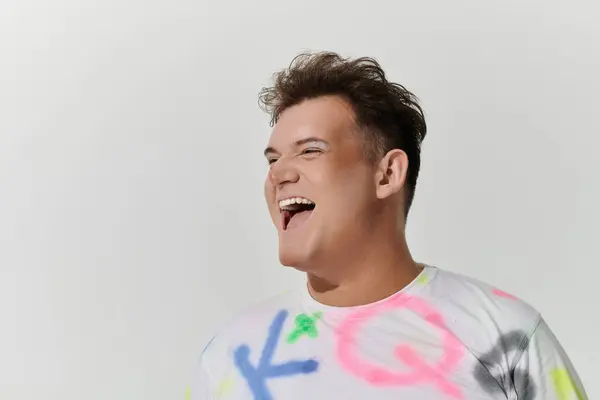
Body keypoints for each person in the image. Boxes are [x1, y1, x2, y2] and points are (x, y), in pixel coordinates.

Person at [192, 51, 587, 399]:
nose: (278, 174)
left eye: (310, 151)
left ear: (388, 174)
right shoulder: (233, 354)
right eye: (272, 160)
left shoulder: (504, 337)